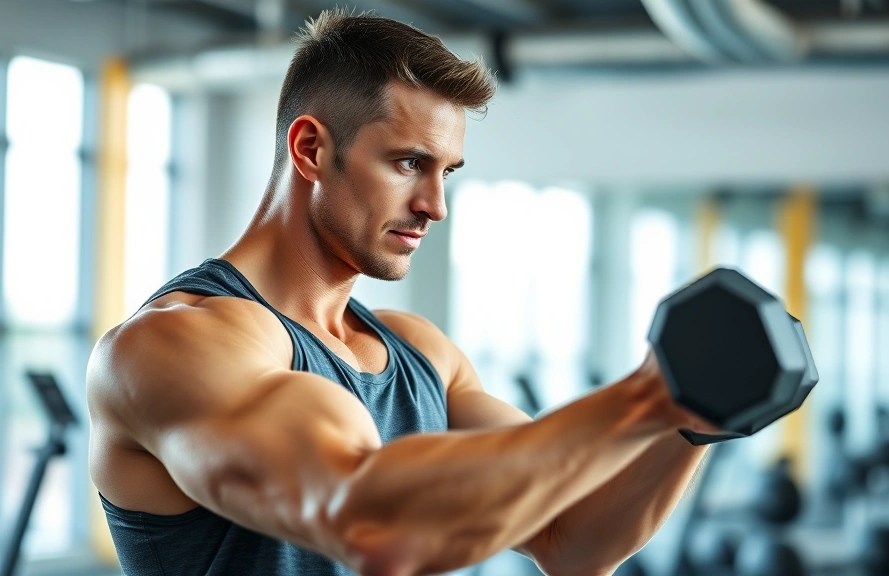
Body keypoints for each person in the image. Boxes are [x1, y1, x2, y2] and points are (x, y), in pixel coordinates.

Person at [87, 8, 719, 576]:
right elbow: (371, 527)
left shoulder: (420, 354)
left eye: (446, 172)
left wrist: (693, 418)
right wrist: (645, 398)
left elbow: (570, 538)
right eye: (409, 163)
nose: (435, 206)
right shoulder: (173, 344)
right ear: (310, 149)